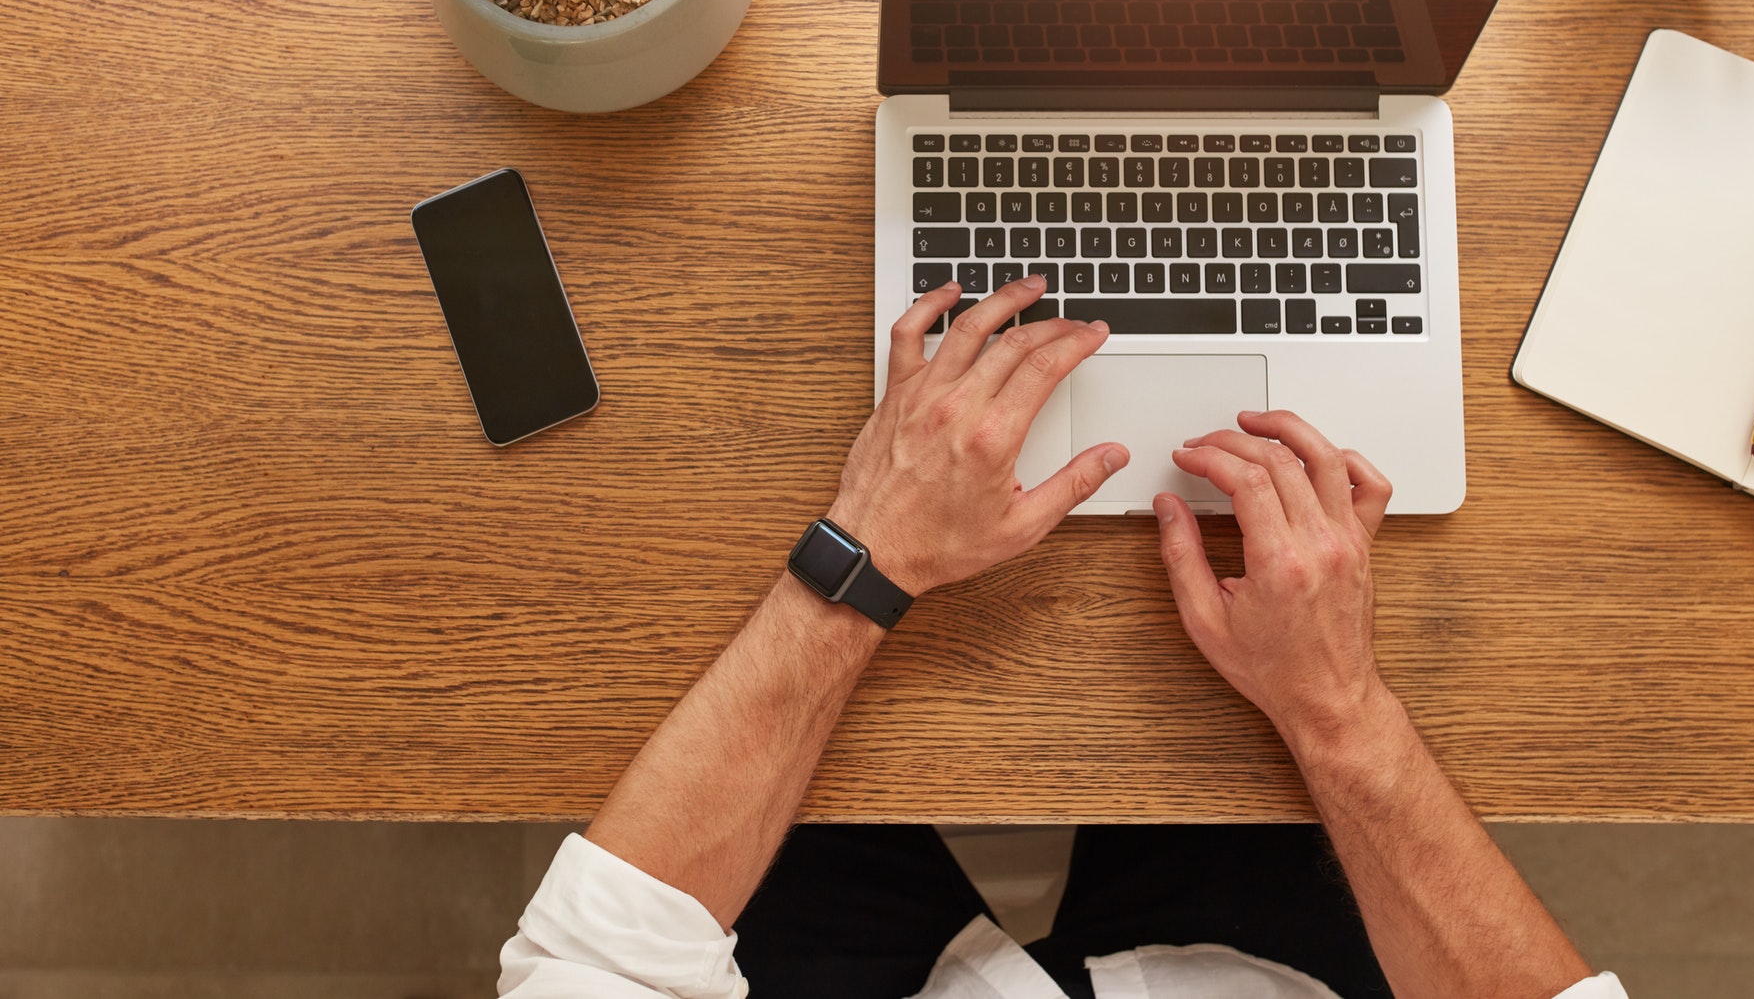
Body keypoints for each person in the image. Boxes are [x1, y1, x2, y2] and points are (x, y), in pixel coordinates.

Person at [496, 276, 1627, 999]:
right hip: (1257, 976)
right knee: (1234, 768)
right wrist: (1334, 709)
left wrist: (868, 552)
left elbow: (597, 960)